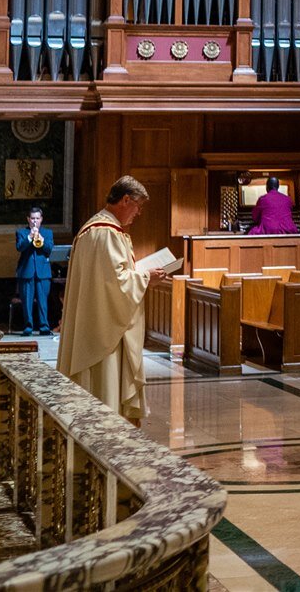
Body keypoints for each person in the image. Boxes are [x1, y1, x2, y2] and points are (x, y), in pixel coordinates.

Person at [57, 177, 170, 424]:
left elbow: (109, 277)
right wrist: (145, 276)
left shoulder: (94, 228)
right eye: (137, 206)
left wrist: (140, 275)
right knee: (104, 389)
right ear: (125, 199)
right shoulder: (106, 232)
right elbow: (116, 283)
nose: (139, 213)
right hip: (104, 332)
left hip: (95, 321)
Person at [15, 206, 53, 335]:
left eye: (37, 218)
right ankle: (28, 327)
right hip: (26, 272)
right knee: (27, 302)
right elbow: (19, 248)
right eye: (32, 218)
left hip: (43, 272)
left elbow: (49, 249)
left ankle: (44, 327)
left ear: (41, 219)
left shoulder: (47, 233)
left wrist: (41, 241)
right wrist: (30, 237)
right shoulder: (21, 233)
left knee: (43, 302)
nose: (35, 221)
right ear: (28, 219)